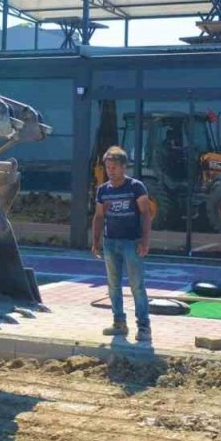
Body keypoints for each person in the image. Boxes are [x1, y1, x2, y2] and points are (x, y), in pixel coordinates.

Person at [91, 146, 153, 342]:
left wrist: (145, 241)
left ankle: (144, 327)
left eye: (114, 167)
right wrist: (96, 242)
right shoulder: (102, 191)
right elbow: (99, 216)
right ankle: (119, 323)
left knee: (136, 285)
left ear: (124, 166)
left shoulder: (136, 187)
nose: (111, 171)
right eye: (108, 167)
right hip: (110, 243)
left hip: (131, 243)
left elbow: (145, 214)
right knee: (113, 286)